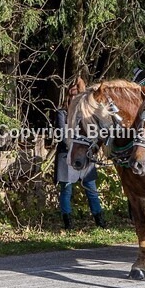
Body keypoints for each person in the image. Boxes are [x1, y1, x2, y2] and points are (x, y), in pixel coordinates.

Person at [56, 83, 105, 229]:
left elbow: (93, 133)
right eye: (71, 95)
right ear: (67, 96)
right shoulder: (62, 113)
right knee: (66, 190)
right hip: (67, 156)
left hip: (85, 155)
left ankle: (100, 222)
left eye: (76, 95)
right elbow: (62, 135)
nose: (73, 97)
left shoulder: (86, 114)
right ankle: (68, 224)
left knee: (92, 190)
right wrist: (75, 147)